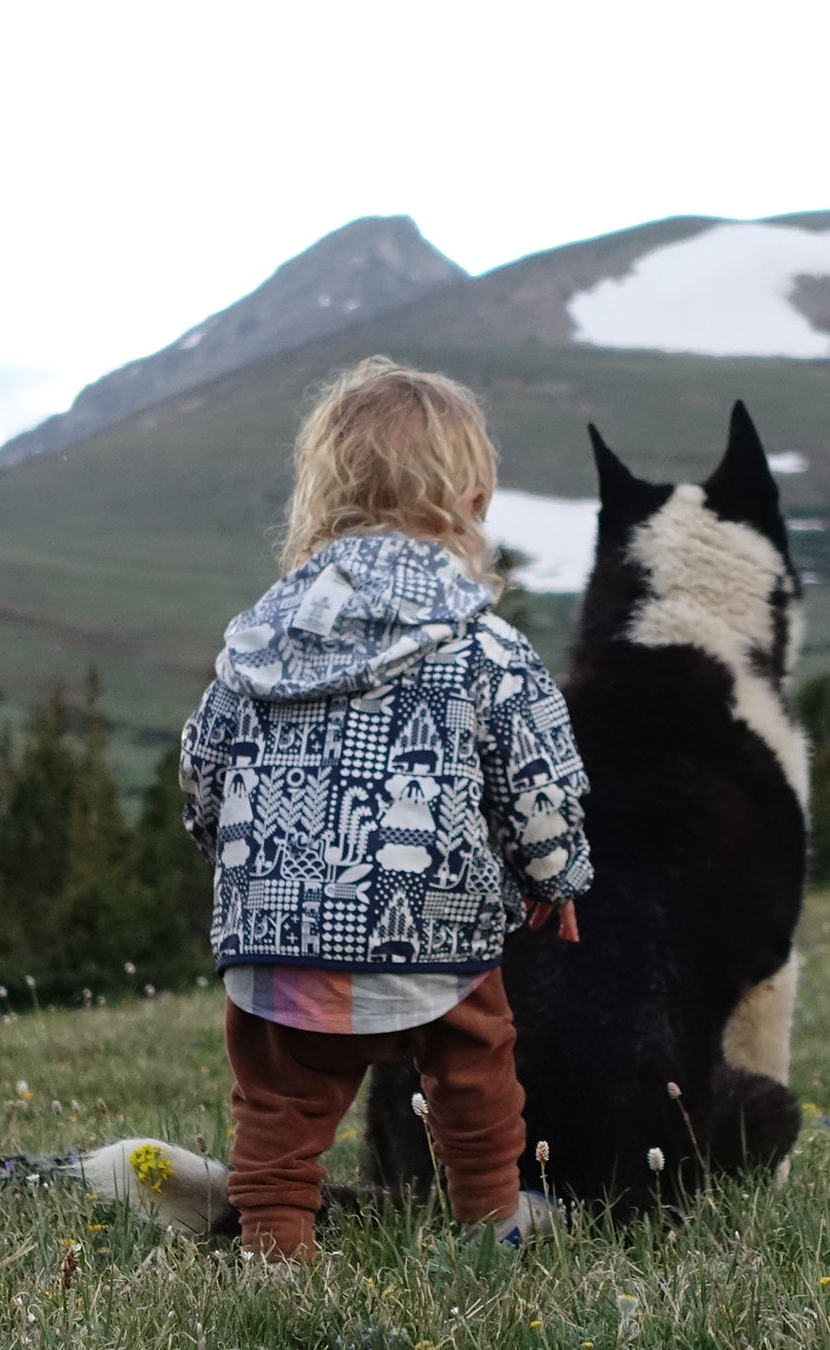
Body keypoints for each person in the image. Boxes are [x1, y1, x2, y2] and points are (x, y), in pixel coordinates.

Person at [179, 355, 594, 1262]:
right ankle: (491, 1223)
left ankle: (276, 1248)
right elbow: (539, 774)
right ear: (473, 501)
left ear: (320, 492)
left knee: (280, 1105)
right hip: (433, 936)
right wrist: (554, 877)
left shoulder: (258, 640)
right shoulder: (483, 645)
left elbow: (205, 768)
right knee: (476, 1073)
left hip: (283, 945)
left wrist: (243, 858)